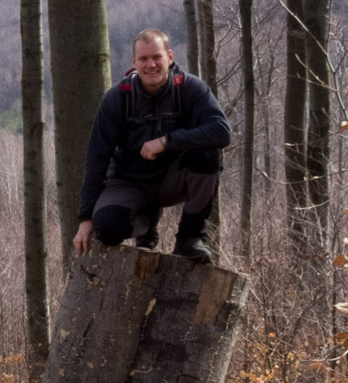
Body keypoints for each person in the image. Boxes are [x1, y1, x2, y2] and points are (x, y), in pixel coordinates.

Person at [71, 28, 231, 264]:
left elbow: (222, 131)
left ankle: (190, 237)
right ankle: (145, 223)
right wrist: (85, 218)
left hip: (172, 180)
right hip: (128, 182)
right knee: (106, 227)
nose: (151, 65)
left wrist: (168, 141)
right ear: (134, 62)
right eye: (144, 59)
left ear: (169, 57)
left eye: (157, 57)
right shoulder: (118, 98)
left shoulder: (190, 89)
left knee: (208, 154)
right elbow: (97, 158)